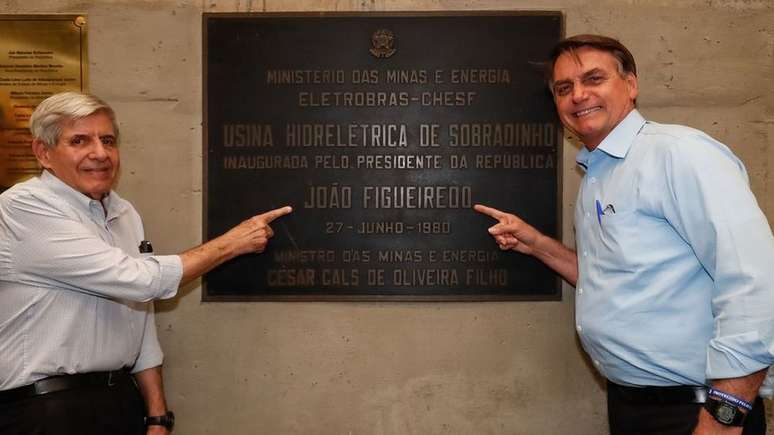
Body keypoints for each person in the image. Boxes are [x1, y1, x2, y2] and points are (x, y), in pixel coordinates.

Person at [475, 34, 774, 434]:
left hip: (699, 412)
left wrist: (725, 416)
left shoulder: (679, 155)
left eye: (594, 79)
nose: (578, 95)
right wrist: (537, 244)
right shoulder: (600, 174)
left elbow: (756, 283)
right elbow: (614, 279)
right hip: (633, 405)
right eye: (564, 88)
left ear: (631, 85)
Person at [0, 91, 292, 435]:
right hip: (46, 409)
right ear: (43, 153)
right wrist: (232, 243)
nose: (100, 153)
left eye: (107, 140)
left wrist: (157, 415)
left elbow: (141, 315)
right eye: (79, 141)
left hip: (119, 400)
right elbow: (141, 281)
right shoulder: (23, 208)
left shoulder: (124, 213)